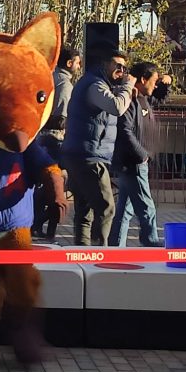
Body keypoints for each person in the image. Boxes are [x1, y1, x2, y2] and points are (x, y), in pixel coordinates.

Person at [62, 50, 135, 245]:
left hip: (80, 153)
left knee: (84, 209)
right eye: (117, 65)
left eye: (124, 68)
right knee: (106, 208)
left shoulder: (95, 82)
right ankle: (99, 252)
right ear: (104, 64)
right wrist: (128, 86)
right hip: (89, 156)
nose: (121, 71)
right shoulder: (95, 85)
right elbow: (116, 107)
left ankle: (83, 254)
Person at [108, 62, 171, 247]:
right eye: (153, 81)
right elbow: (125, 130)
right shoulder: (131, 100)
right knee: (147, 206)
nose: (155, 85)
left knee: (125, 209)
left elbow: (159, 97)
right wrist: (142, 155)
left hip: (135, 161)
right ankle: (150, 241)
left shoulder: (143, 98)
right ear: (143, 80)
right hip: (133, 162)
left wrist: (165, 84)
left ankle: (115, 244)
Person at [32, 46, 81, 239]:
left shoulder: (48, 77)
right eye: (77, 62)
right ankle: (41, 221)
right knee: (58, 183)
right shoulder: (65, 84)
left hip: (41, 137)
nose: (79, 66)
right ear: (69, 64)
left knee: (46, 182)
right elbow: (61, 116)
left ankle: (39, 222)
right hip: (56, 138)